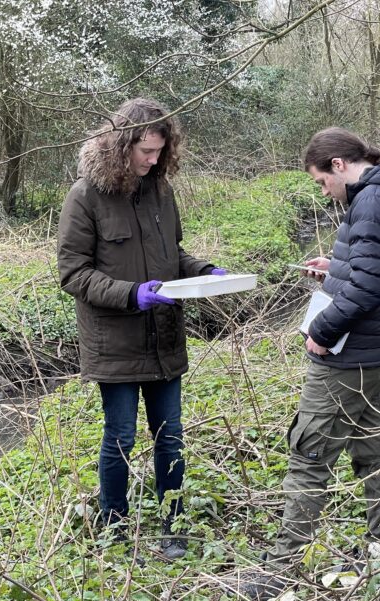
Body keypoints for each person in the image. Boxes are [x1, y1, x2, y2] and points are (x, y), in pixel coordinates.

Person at [242, 128, 380, 601]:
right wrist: (338, 266)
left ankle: (281, 572)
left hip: (349, 354)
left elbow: (368, 290)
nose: (324, 191)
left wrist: (321, 334)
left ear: (338, 164)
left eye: (321, 181)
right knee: (372, 448)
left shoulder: (369, 202)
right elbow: (377, 270)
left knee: (309, 455)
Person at [57, 97, 225, 561]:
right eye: (146, 152)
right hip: (115, 342)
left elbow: (174, 255)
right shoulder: (85, 196)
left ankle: (172, 526)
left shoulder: (161, 192)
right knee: (121, 437)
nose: (154, 161)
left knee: (170, 435)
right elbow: (73, 273)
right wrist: (132, 294)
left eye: (160, 152)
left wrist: (203, 271)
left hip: (165, 338)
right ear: (121, 145)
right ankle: (112, 525)